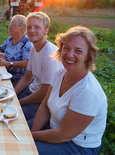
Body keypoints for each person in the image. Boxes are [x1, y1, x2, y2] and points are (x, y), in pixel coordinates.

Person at [29, 26, 107, 155]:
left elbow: (63, 135)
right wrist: (31, 133)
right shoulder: (61, 72)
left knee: (22, 149)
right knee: (17, 132)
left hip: (77, 146)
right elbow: (44, 106)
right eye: (66, 48)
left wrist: (31, 137)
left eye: (78, 51)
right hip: (54, 127)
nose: (70, 54)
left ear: (88, 56)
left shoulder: (87, 92)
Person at [14, 12, 63, 120]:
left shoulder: (49, 54)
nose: (31, 31)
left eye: (37, 27)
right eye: (29, 27)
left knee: (10, 117)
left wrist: (18, 102)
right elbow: (27, 78)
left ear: (46, 30)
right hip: (30, 92)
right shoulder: (33, 49)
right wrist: (13, 95)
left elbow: (44, 93)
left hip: (43, 102)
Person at [0, 15, 33, 87]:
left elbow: (27, 63)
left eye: (12, 25)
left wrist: (9, 63)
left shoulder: (27, 43)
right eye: (10, 25)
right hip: (5, 73)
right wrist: (0, 54)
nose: (9, 27)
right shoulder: (9, 39)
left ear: (22, 27)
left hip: (19, 79)